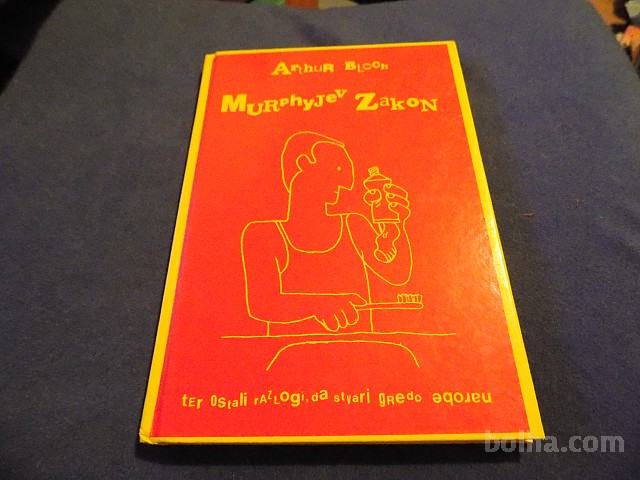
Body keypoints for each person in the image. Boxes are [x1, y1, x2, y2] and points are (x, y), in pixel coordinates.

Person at [241, 131, 412, 334]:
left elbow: (397, 275)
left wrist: (396, 226)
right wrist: (319, 305)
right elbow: (262, 304)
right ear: (302, 164)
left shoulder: (353, 225)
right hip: (287, 351)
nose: (344, 184)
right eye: (336, 168)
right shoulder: (263, 235)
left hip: (360, 348)